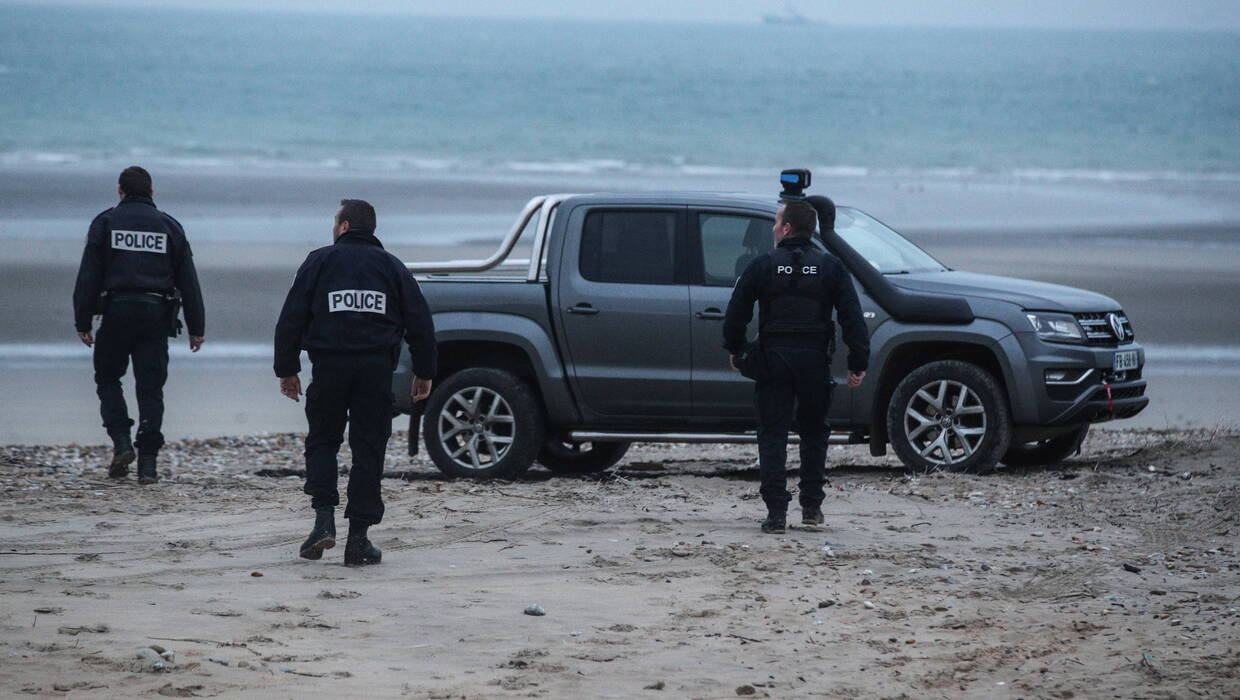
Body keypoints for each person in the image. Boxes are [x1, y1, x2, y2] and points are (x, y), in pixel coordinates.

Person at [274, 199, 436, 567]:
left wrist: (286, 369)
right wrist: (425, 373)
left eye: (335, 222)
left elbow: (291, 318)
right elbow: (420, 324)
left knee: (322, 442)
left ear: (344, 226)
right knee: (368, 450)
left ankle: (323, 521)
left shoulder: (319, 261)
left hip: (329, 367)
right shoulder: (391, 267)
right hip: (375, 370)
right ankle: (358, 539)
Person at [722, 198, 869, 534]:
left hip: (774, 360)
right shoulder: (831, 267)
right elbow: (852, 318)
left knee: (772, 434)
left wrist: (737, 350)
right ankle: (811, 508)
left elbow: (736, 314)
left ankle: (776, 514)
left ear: (787, 228)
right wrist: (858, 362)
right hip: (815, 361)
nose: (774, 227)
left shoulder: (763, 265)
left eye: (776, 222)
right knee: (814, 433)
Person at [72, 166, 206, 485]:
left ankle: (121, 441)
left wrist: (82, 319)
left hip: (116, 313)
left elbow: (89, 275)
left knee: (107, 378)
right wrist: (196, 326)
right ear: (152, 192)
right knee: (150, 388)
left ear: (120, 190)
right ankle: (148, 464)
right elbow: (189, 280)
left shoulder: (105, 222)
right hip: (156, 317)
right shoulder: (169, 226)